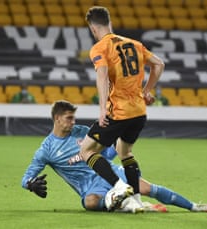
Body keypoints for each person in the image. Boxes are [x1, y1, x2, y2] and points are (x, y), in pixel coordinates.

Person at [21, 100, 207, 213]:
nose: (73, 122)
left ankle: (194, 206)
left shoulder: (83, 132)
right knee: (90, 203)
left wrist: (117, 145)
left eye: (74, 117)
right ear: (57, 119)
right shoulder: (46, 149)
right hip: (90, 188)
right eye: (69, 118)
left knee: (146, 188)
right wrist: (30, 184)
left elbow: (106, 153)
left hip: (110, 173)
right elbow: (26, 177)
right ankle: (129, 203)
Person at [77, 6, 165, 211]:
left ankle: (119, 186)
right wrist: (146, 91)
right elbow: (159, 64)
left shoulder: (100, 48)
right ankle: (136, 201)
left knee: (86, 151)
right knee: (124, 151)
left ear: (92, 29)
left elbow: (102, 76)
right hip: (139, 112)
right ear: (110, 23)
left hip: (118, 112)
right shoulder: (135, 44)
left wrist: (101, 111)